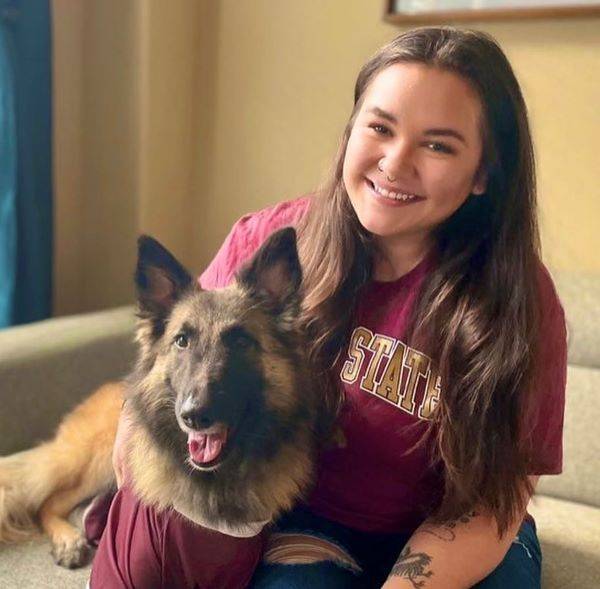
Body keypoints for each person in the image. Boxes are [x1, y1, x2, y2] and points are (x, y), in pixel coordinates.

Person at [112, 26, 566, 589]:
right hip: (316, 524)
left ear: (483, 174)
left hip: (465, 527)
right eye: (379, 127)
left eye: (438, 145)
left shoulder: (519, 299)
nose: (395, 164)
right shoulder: (271, 241)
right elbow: (172, 356)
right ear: (351, 132)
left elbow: (504, 492)